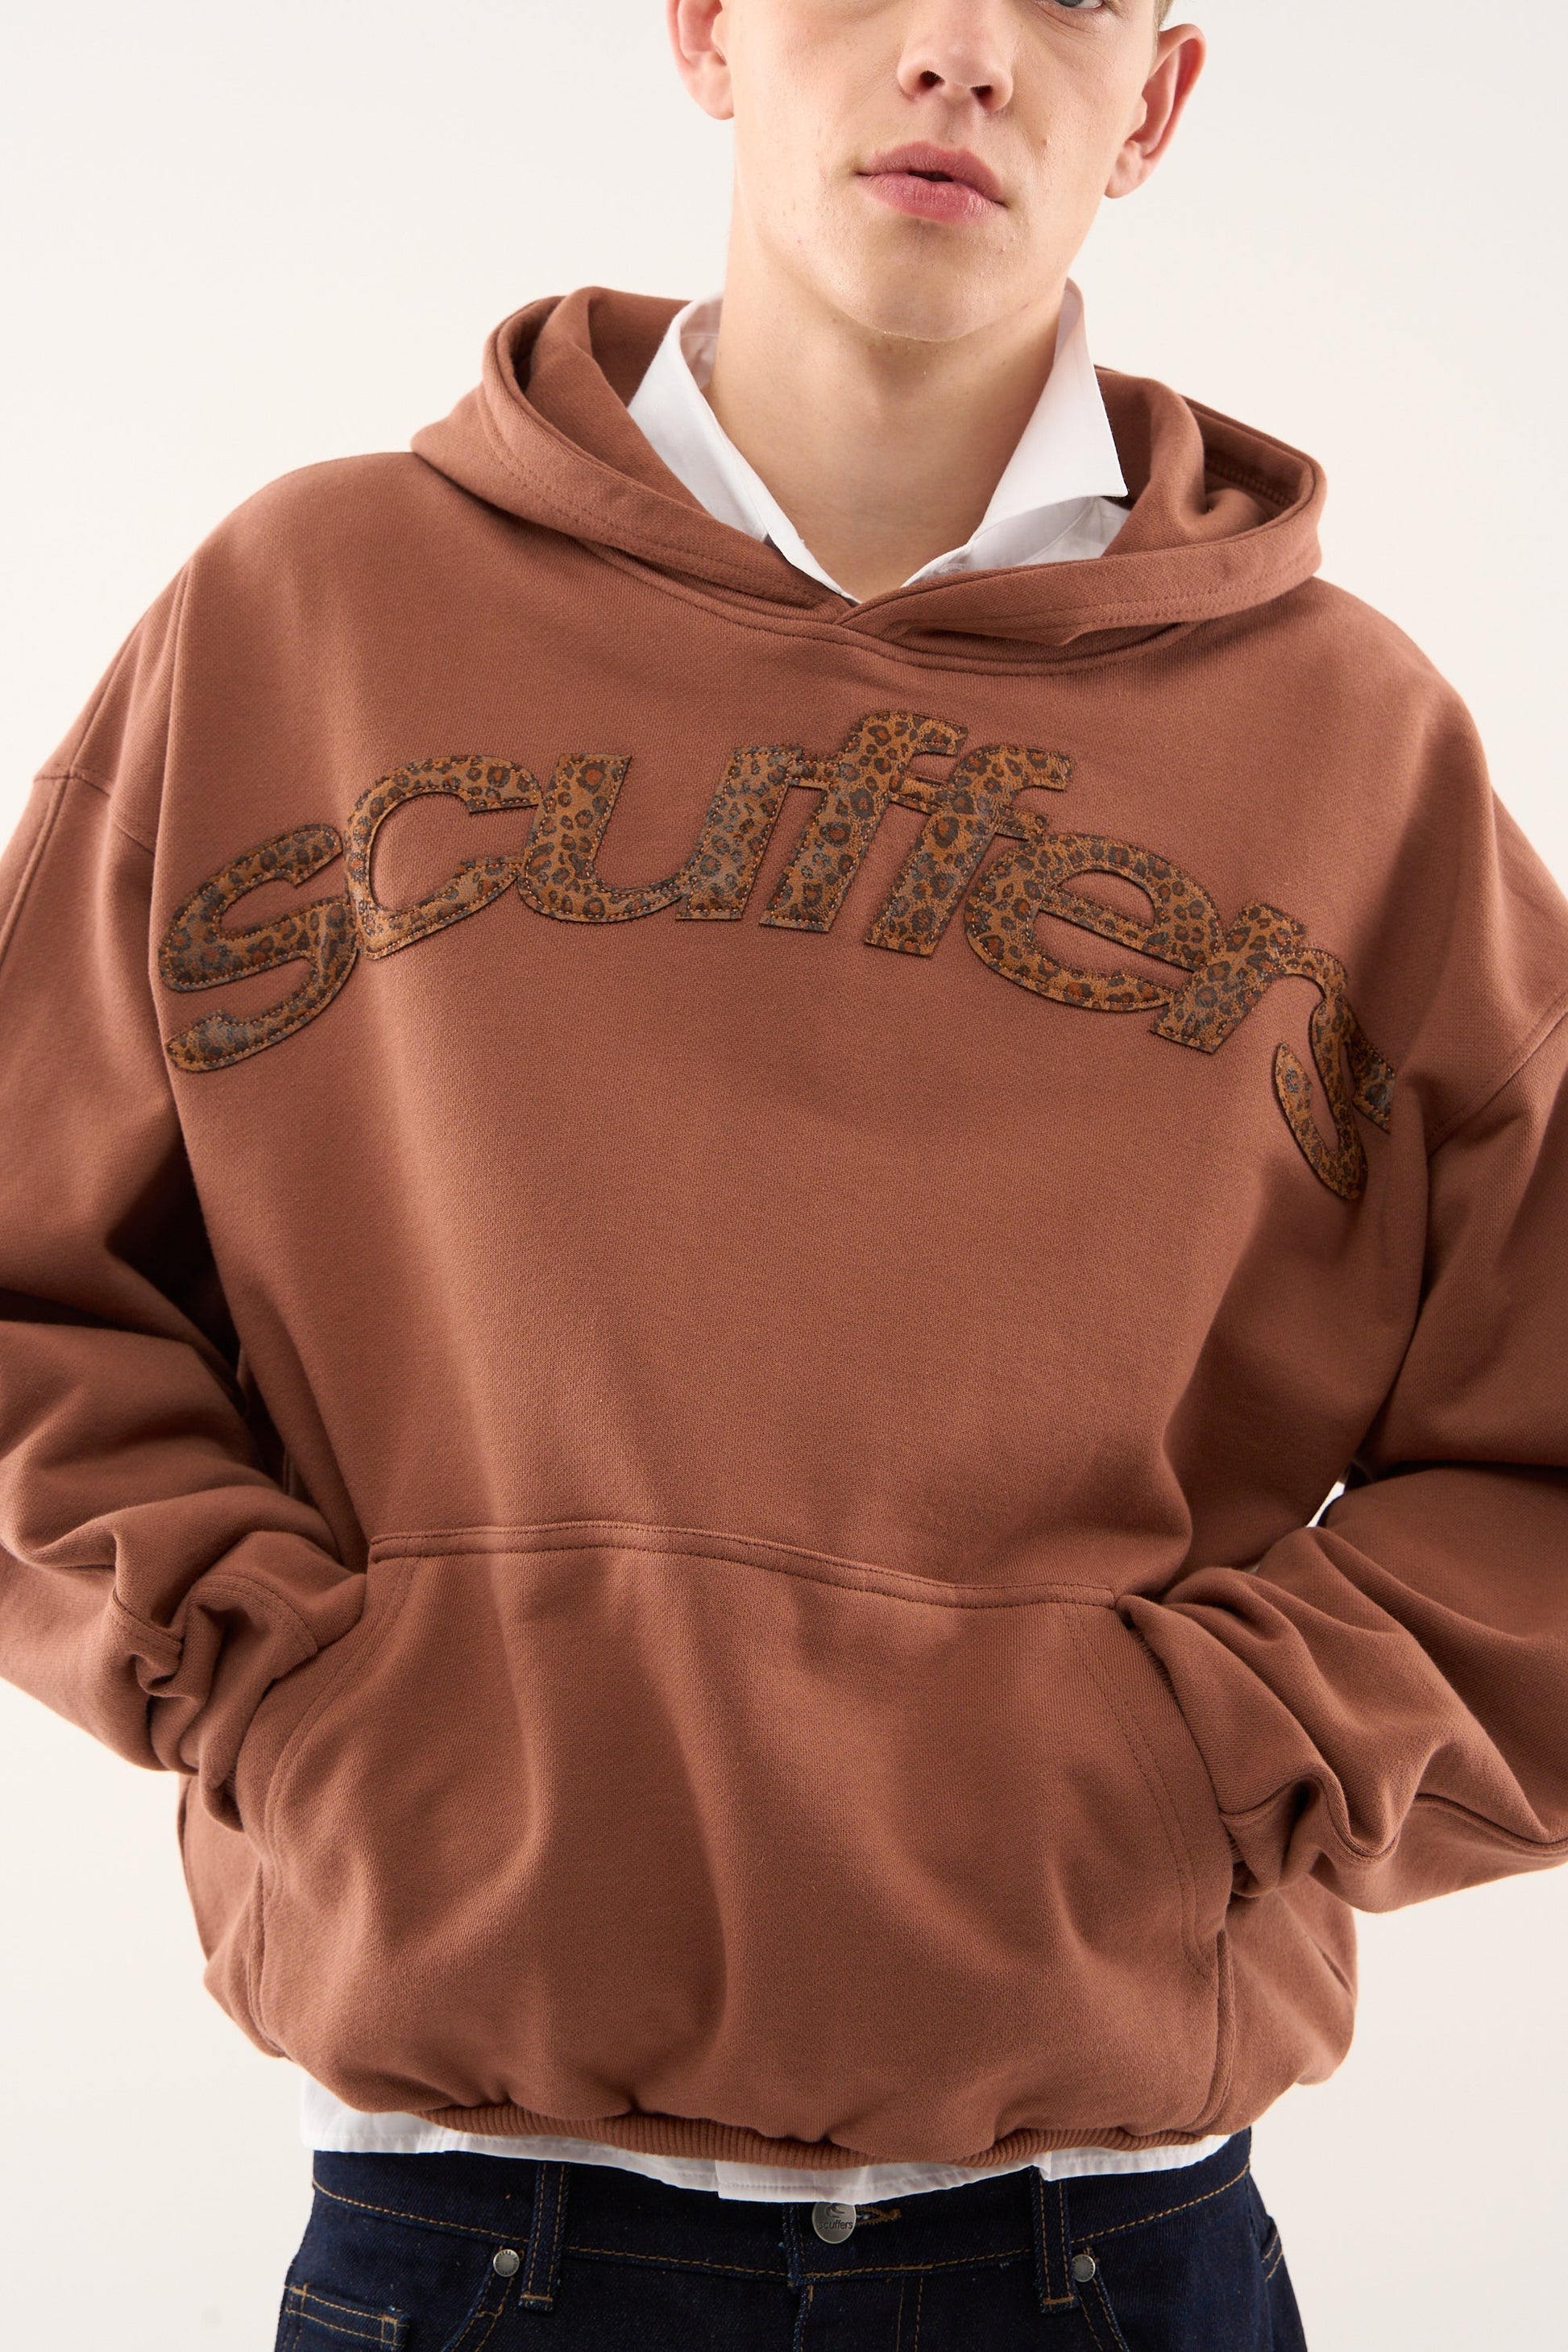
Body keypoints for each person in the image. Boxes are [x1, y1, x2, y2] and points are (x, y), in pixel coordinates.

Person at [2, 0, 1566, 2343]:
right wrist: (280, 1690)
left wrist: (1207, 1768)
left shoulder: (1353, 748)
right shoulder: (305, 612)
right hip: (475, 2233)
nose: (958, 52)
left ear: (1153, 100)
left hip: (1100, 2246)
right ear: (709, 26)